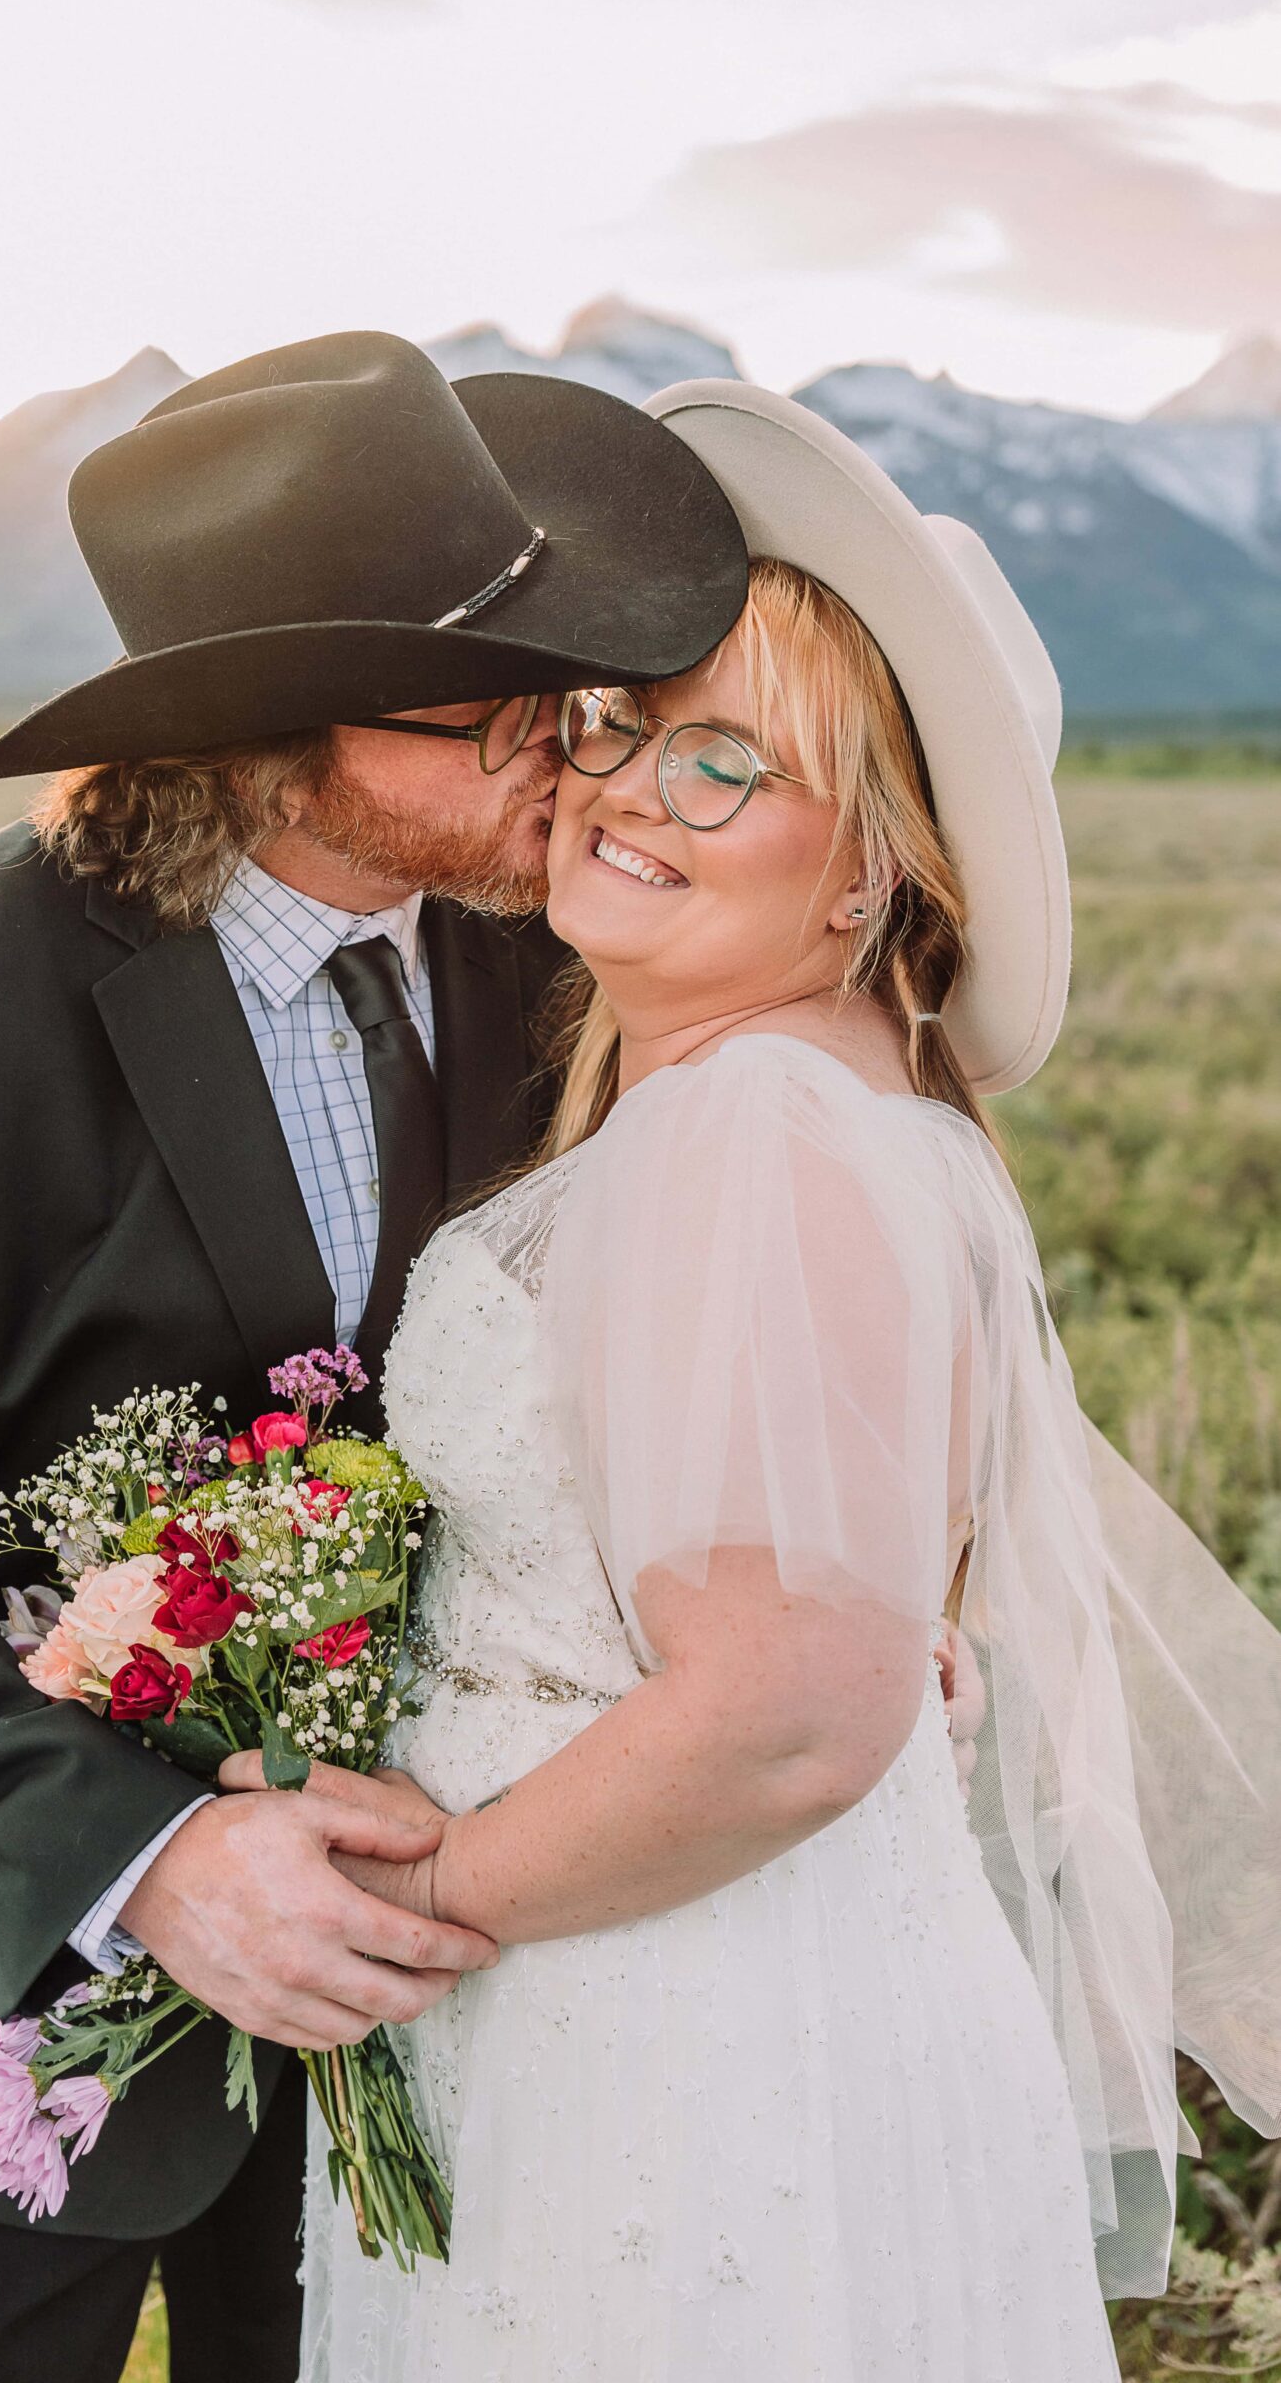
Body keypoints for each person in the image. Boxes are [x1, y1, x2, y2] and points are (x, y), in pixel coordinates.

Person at [0, 331, 750, 2383]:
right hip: (12, 2018)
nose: (572, 760)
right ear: (272, 730)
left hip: (441, 1981)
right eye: (508, 711)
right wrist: (148, 1859)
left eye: (583, 705)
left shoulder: (559, 965)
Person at [232, 381, 1281, 2379]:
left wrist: (423, 1889)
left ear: (864, 873)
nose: (630, 791)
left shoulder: (753, 1138)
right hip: (726, 1986)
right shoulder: (821, 1113)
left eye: (728, 764)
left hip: (662, 2033)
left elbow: (794, 1712)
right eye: (620, 729)